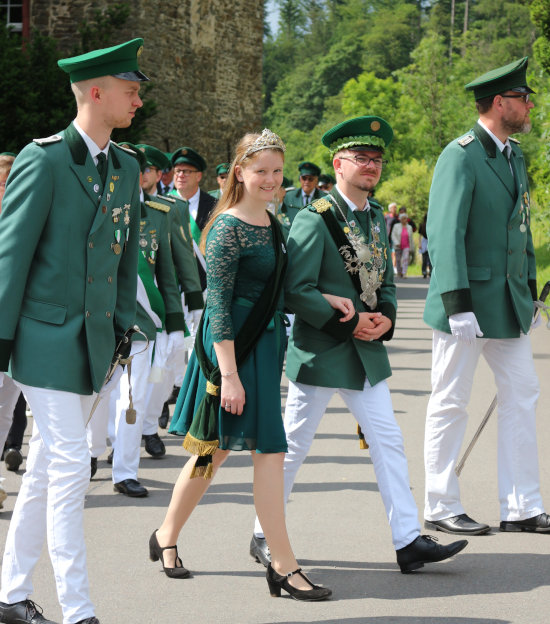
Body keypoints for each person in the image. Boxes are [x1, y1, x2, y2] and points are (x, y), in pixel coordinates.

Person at [250, 115, 468, 574]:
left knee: (388, 441)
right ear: (339, 163)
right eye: (361, 158)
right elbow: (296, 289)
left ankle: (407, 540)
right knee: (293, 448)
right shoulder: (315, 219)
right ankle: (262, 533)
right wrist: (345, 323)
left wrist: (384, 320)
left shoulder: (373, 218)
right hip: (321, 352)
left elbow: (384, 283)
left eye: (377, 159)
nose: (371, 166)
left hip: (366, 353)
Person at [150, 130, 334, 601]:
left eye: (277, 171)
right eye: (261, 171)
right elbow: (220, 306)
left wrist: (328, 299)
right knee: (259, 452)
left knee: (217, 452)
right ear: (240, 172)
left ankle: (166, 533)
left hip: (265, 347)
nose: (271, 180)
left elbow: (279, 288)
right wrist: (228, 375)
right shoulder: (228, 226)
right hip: (232, 352)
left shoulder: (273, 222)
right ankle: (284, 565)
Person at [0, 38, 148, 624]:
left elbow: (125, 259)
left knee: (43, 468)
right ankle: (78, 610)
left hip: (93, 343)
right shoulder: (43, 159)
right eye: (129, 90)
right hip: (41, 339)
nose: (137, 99)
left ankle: (10, 595)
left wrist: (124, 328)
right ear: (95, 92)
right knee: (68, 464)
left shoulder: (127, 165)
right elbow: (11, 256)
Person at [423, 56, 550, 536]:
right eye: (522, 98)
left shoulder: (514, 154)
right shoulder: (460, 154)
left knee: (522, 394)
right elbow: (445, 231)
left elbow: (520, 228)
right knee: (451, 400)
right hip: (467, 303)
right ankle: (440, 502)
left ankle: (521, 505)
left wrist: (531, 291)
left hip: (508, 302)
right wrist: (456, 303)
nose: (529, 104)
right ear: (500, 103)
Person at [169, 147, 216, 292]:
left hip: (206, 286)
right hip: (172, 286)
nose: (181, 175)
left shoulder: (215, 206)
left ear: (199, 176)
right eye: (177, 171)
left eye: (187, 171)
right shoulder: (162, 204)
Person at [279, 161, 326, 231]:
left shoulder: (324, 198)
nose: (307, 181)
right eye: (304, 178)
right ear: (300, 179)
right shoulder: (289, 197)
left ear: (316, 180)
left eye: (310, 179)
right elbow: (283, 220)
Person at [391, 211, 414, 278]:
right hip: (398, 245)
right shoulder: (396, 226)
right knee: (398, 259)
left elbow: (411, 238)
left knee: (405, 259)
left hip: (406, 246)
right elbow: (393, 235)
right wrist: (397, 243)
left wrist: (412, 247)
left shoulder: (409, 227)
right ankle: (399, 272)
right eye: (403, 218)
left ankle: (404, 273)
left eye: (406, 218)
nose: (405, 220)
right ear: (400, 219)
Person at [418, 213, 431, 278]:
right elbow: (420, 235)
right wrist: (419, 244)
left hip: (430, 240)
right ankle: (424, 271)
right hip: (424, 241)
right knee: (425, 258)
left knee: (429, 258)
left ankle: (429, 271)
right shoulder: (422, 225)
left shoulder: (431, 225)